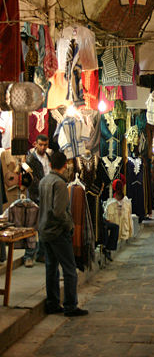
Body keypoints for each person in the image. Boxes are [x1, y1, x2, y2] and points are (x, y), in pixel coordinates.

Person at [38, 151, 88, 317]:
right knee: (69, 269)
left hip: (44, 230)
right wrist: (69, 225)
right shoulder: (59, 184)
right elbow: (59, 212)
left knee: (51, 268)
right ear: (65, 165)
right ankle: (70, 305)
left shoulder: (44, 181)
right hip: (57, 232)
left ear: (51, 164)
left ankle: (52, 303)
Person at [24, 134, 51, 267]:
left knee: (43, 226)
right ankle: (29, 256)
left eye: (45, 145)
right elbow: (31, 180)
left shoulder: (48, 157)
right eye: (40, 144)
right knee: (31, 227)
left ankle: (41, 254)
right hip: (35, 196)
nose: (42, 147)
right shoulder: (30, 159)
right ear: (35, 144)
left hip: (46, 197)